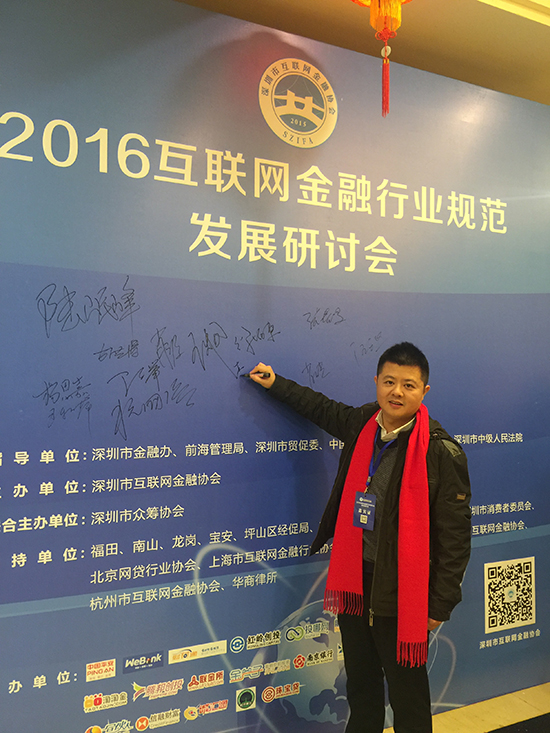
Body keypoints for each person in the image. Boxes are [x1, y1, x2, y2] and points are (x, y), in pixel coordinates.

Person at [247, 342, 471, 733]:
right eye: (389, 382)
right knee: (361, 686)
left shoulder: (440, 451)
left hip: (402, 591)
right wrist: (275, 383)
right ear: (377, 382)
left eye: (408, 385)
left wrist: (440, 603)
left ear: (424, 391)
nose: (396, 392)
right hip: (355, 582)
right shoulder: (364, 424)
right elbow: (320, 408)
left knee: (407, 695)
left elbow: (455, 538)